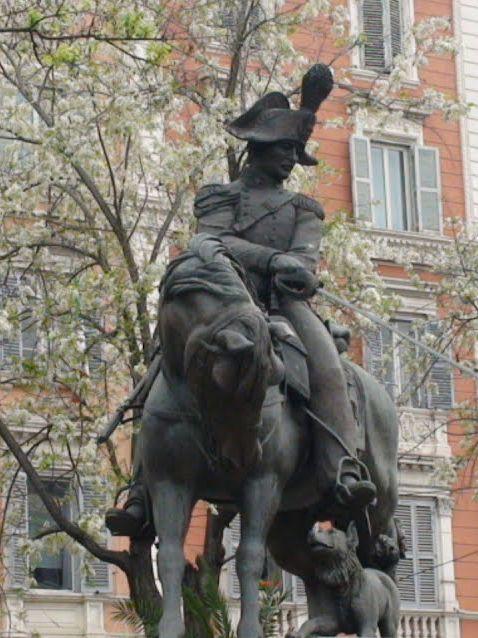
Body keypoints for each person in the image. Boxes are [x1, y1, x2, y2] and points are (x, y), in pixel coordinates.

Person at [105, 65, 375, 538]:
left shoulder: (303, 209)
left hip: (280, 306)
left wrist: (296, 271)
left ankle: (342, 468)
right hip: (219, 299)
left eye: (296, 151)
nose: (292, 160)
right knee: (157, 369)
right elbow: (207, 244)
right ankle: (141, 489)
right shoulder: (218, 198)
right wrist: (274, 259)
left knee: (327, 365)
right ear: (259, 150)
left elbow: (304, 264)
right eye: (285, 150)